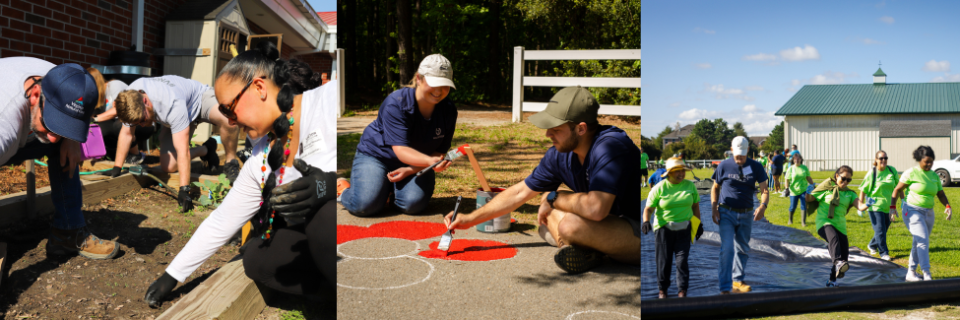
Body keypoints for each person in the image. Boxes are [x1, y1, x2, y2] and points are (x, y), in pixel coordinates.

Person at [144, 44, 337, 307]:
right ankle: (334, 294)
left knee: (323, 216)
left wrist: (326, 186)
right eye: (223, 113)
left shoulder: (325, 105)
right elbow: (222, 220)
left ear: (259, 88)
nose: (230, 121)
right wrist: (172, 275)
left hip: (348, 221)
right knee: (259, 259)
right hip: (324, 248)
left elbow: (375, 162)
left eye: (229, 108)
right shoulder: (261, 157)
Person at [444, 86, 641, 274]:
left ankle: (585, 248)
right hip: (603, 224)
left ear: (580, 128)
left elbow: (595, 209)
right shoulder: (559, 154)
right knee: (548, 219)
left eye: (555, 129)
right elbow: (520, 192)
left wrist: (553, 197)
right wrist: (469, 219)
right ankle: (585, 252)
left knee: (569, 225)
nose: (548, 134)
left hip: (637, 231)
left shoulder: (611, 147)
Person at [0, 58, 118, 259]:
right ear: (36, 95)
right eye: (52, 123)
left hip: (25, 127)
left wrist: (70, 140)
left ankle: (68, 232)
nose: (54, 137)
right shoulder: (5, 120)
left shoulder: (69, 81)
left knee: (60, 147)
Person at [338, 54, 458, 217]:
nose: (439, 90)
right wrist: (430, 162)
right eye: (434, 83)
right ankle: (344, 190)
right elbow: (401, 150)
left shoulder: (449, 110)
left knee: (412, 205)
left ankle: (384, 191)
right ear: (419, 79)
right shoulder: (397, 103)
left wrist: (410, 170)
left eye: (444, 85)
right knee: (364, 205)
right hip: (377, 156)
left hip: (417, 164)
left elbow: (439, 152)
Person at [113, 74, 242, 212]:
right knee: (169, 166)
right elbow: (127, 133)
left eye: (143, 120)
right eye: (138, 123)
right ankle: (206, 150)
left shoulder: (171, 103)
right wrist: (117, 168)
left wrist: (184, 190)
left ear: (145, 101)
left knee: (229, 118)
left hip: (199, 99)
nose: (143, 125)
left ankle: (230, 162)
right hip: (178, 117)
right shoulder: (130, 100)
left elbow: (182, 150)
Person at [711, 136, 769, 294]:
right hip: (726, 212)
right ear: (731, 150)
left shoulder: (756, 166)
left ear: (748, 150)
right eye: (737, 156)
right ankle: (724, 287)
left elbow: (764, 189)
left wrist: (763, 206)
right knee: (727, 248)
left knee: (742, 248)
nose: (740, 159)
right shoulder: (724, 166)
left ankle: (737, 280)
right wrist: (714, 207)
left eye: (743, 156)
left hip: (746, 214)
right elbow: (715, 187)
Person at [642, 157, 700, 299]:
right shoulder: (659, 188)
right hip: (664, 230)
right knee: (664, 262)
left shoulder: (690, 186)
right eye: (677, 171)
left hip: (684, 230)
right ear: (668, 173)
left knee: (682, 261)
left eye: (682, 171)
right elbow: (648, 209)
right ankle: (663, 290)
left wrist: (698, 224)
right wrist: (645, 221)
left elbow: (695, 206)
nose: (681, 174)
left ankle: (682, 291)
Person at [891, 146, 951, 282]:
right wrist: (892, 207)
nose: (929, 164)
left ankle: (910, 273)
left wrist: (947, 205)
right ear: (919, 160)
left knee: (918, 241)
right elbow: (896, 190)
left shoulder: (935, 176)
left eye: (931, 162)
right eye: (926, 162)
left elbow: (940, 194)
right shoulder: (911, 173)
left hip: (929, 212)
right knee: (923, 241)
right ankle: (927, 274)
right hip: (912, 210)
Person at [807, 165, 869, 287]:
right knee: (833, 240)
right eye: (843, 178)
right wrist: (808, 191)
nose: (845, 182)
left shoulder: (850, 194)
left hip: (840, 226)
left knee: (843, 260)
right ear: (837, 176)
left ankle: (832, 280)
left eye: (849, 180)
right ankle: (837, 261)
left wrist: (869, 203)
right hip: (824, 222)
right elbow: (810, 199)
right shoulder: (827, 188)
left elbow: (860, 206)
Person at [87, 70, 156, 165]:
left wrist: (94, 119)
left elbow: (118, 110)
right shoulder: (99, 98)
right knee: (99, 128)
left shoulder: (114, 85)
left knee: (118, 125)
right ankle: (110, 154)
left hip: (143, 121)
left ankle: (136, 156)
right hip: (123, 124)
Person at [859, 150, 900, 261]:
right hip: (874, 206)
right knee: (880, 230)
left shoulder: (892, 170)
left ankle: (872, 245)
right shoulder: (872, 173)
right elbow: (863, 189)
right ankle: (884, 253)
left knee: (883, 230)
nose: (883, 160)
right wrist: (861, 205)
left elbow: (899, 187)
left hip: (888, 206)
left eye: (885, 158)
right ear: (876, 160)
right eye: (881, 158)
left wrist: (904, 201)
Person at [784, 153, 814, 226]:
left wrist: (813, 185)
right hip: (793, 191)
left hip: (803, 190)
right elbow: (787, 179)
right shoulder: (791, 168)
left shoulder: (804, 167)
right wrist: (787, 189)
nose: (796, 160)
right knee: (793, 206)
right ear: (793, 160)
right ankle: (790, 220)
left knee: (804, 205)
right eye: (795, 159)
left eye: (798, 159)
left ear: (800, 159)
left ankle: (803, 222)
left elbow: (808, 177)